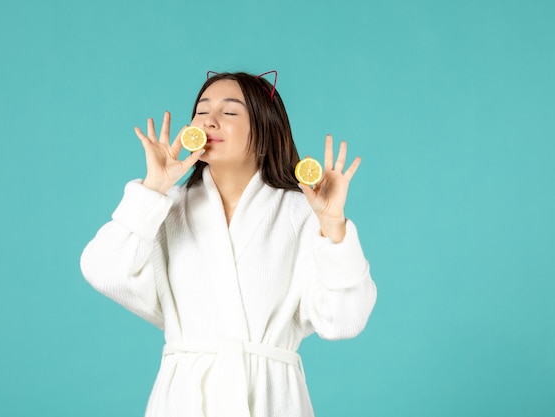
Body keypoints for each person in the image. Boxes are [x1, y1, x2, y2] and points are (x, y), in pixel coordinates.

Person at [80, 71, 377, 417]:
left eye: (230, 112)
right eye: (202, 111)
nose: (210, 121)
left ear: (265, 129)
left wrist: (333, 225)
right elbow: (104, 271)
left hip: (272, 401)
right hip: (184, 401)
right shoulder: (164, 208)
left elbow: (343, 321)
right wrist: (152, 188)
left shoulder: (303, 212)